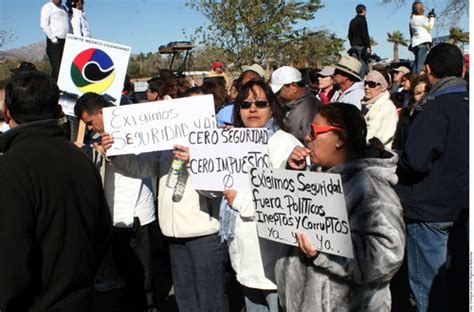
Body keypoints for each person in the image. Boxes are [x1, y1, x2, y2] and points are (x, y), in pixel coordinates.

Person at [276, 102, 405, 311]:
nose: (308, 137)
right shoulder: (320, 175)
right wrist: (293, 174)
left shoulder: (372, 189)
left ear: (340, 139)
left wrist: (325, 252)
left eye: (314, 131)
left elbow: (387, 256)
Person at [0, 70, 112, 311]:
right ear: (58, 110)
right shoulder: (81, 158)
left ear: (7, 112)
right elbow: (102, 229)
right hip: (81, 298)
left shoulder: (9, 168)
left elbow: (9, 253)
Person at [99, 133, 228, 312]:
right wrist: (116, 154)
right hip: (172, 232)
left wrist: (195, 161)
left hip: (204, 233)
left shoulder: (210, 140)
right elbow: (141, 167)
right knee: (185, 296)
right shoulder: (165, 143)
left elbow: (216, 190)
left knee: (210, 299)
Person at [395, 43, 468, 312]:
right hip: (460, 209)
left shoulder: (435, 107)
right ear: (461, 69)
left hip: (430, 213)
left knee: (429, 290)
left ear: (427, 70)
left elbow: (415, 161)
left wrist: (397, 160)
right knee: (459, 286)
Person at [219, 80, 302, 312]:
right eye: (245, 104)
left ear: (271, 107)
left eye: (260, 103)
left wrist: (240, 201)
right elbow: (216, 190)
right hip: (244, 261)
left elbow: (288, 206)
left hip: (273, 265)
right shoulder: (230, 143)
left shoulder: (286, 145)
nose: (252, 109)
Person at [74, 92, 159, 311]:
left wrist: (111, 151)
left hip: (136, 207)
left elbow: (142, 163)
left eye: (90, 122)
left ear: (101, 112)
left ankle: (147, 302)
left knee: (142, 263)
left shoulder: (131, 127)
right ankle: (132, 295)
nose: (90, 127)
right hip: (114, 207)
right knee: (124, 259)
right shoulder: (97, 137)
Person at [270, 65, 320, 143]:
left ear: (294, 86)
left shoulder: (311, 107)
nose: (277, 95)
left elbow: (310, 141)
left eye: (279, 91)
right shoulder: (288, 105)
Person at [391, 75, 430, 152]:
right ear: (413, 96)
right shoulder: (405, 114)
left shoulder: (436, 115)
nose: (423, 96)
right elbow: (397, 141)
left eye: (426, 92)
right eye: (418, 93)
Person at [362, 69, 398, 149]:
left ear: (383, 86)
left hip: (377, 157)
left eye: (371, 84)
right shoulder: (369, 104)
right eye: (365, 83)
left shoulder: (386, 108)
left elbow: (371, 138)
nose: (366, 87)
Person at [40, 0, 70, 81]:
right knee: (57, 69)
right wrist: (53, 39)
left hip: (66, 41)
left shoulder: (63, 8)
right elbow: (44, 25)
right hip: (55, 42)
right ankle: (55, 91)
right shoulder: (48, 7)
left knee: (66, 69)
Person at [409, 1, 435, 74]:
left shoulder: (412, 19)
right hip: (423, 43)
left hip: (416, 44)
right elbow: (430, 27)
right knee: (420, 65)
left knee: (416, 64)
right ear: (421, 9)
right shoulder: (421, 18)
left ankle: (412, 79)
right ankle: (417, 80)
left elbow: (421, 25)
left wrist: (428, 17)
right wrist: (432, 18)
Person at [348, 4, 371, 78]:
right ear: (363, 10)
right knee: (363, 64)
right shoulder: (362, 20)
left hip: (354, 46)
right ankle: (360, 81)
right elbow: (364, 34)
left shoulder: (352, 21)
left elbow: (349, 34)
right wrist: (368, 46)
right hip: (361, 46)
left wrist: (352, 44)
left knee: (355, 66)